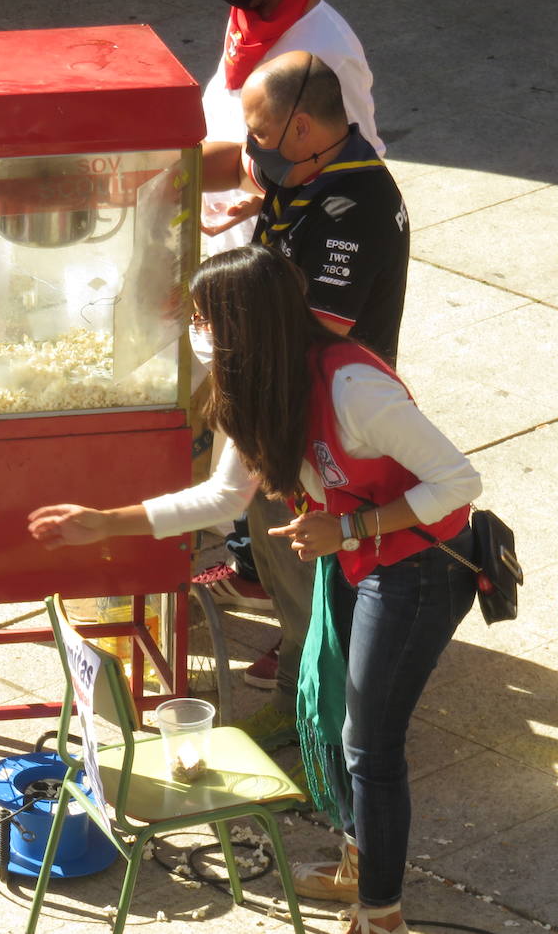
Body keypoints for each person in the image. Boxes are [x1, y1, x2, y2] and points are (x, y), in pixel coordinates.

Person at [29, 246, 480, 934]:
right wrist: (104, 523)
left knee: (371, 742)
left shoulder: (353, 387)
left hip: (421, 567)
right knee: (336, 717)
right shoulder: (256, 389)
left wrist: (350, 525)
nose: (195, 331)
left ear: (246, 325)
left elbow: (459, 482)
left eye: (204, 318)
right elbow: (220, 497)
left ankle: (383, 916)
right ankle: (362, 865)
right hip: (360, 557)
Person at [199, 51, 413, 754]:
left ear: (300, 129)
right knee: (276, 549)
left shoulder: (354, 207)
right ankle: (304, 686)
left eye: (259, 129)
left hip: (317, 415)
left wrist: (219, 308)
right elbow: (237, 165)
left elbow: (314, 332)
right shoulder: (309, 166)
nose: (251, 144)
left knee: (305, 572)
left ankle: (318, 720)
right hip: (281, 396)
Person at [176, 0, 382, 250]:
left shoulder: (326, 49)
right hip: (224, 225)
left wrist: (270, 203)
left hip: (276, 244)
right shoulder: (252, 10)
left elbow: (359, 161)